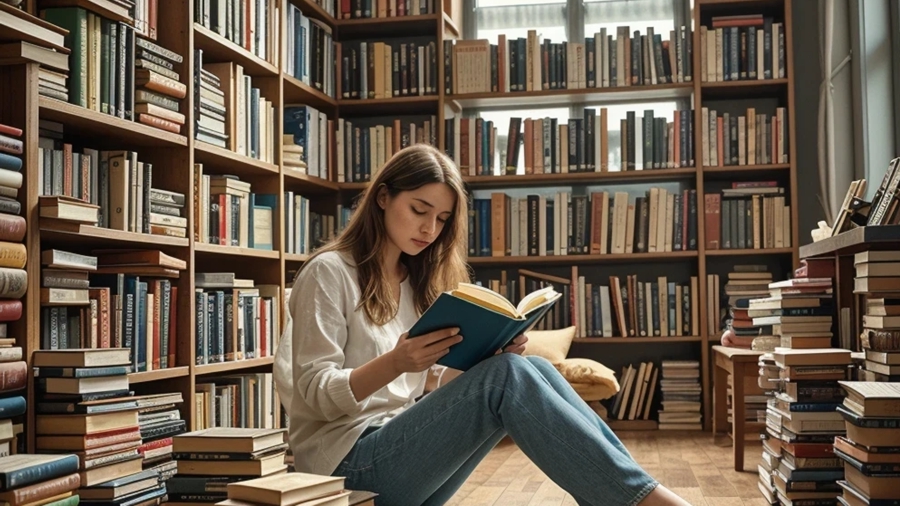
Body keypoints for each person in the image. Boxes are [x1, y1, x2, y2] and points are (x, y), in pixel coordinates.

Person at [273, 144, 690, 506]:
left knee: (530, 368)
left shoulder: (415, 281)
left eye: (441, 220)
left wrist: (482, 360)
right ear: (383, 197)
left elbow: (429, 387)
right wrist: (397, 362)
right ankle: (642, 499)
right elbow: (312, 395)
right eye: (419, 210)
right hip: (346, 469)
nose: (428, 229)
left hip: (399, 453)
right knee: (504, 378)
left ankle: (628, 494)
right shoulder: (328, 272)